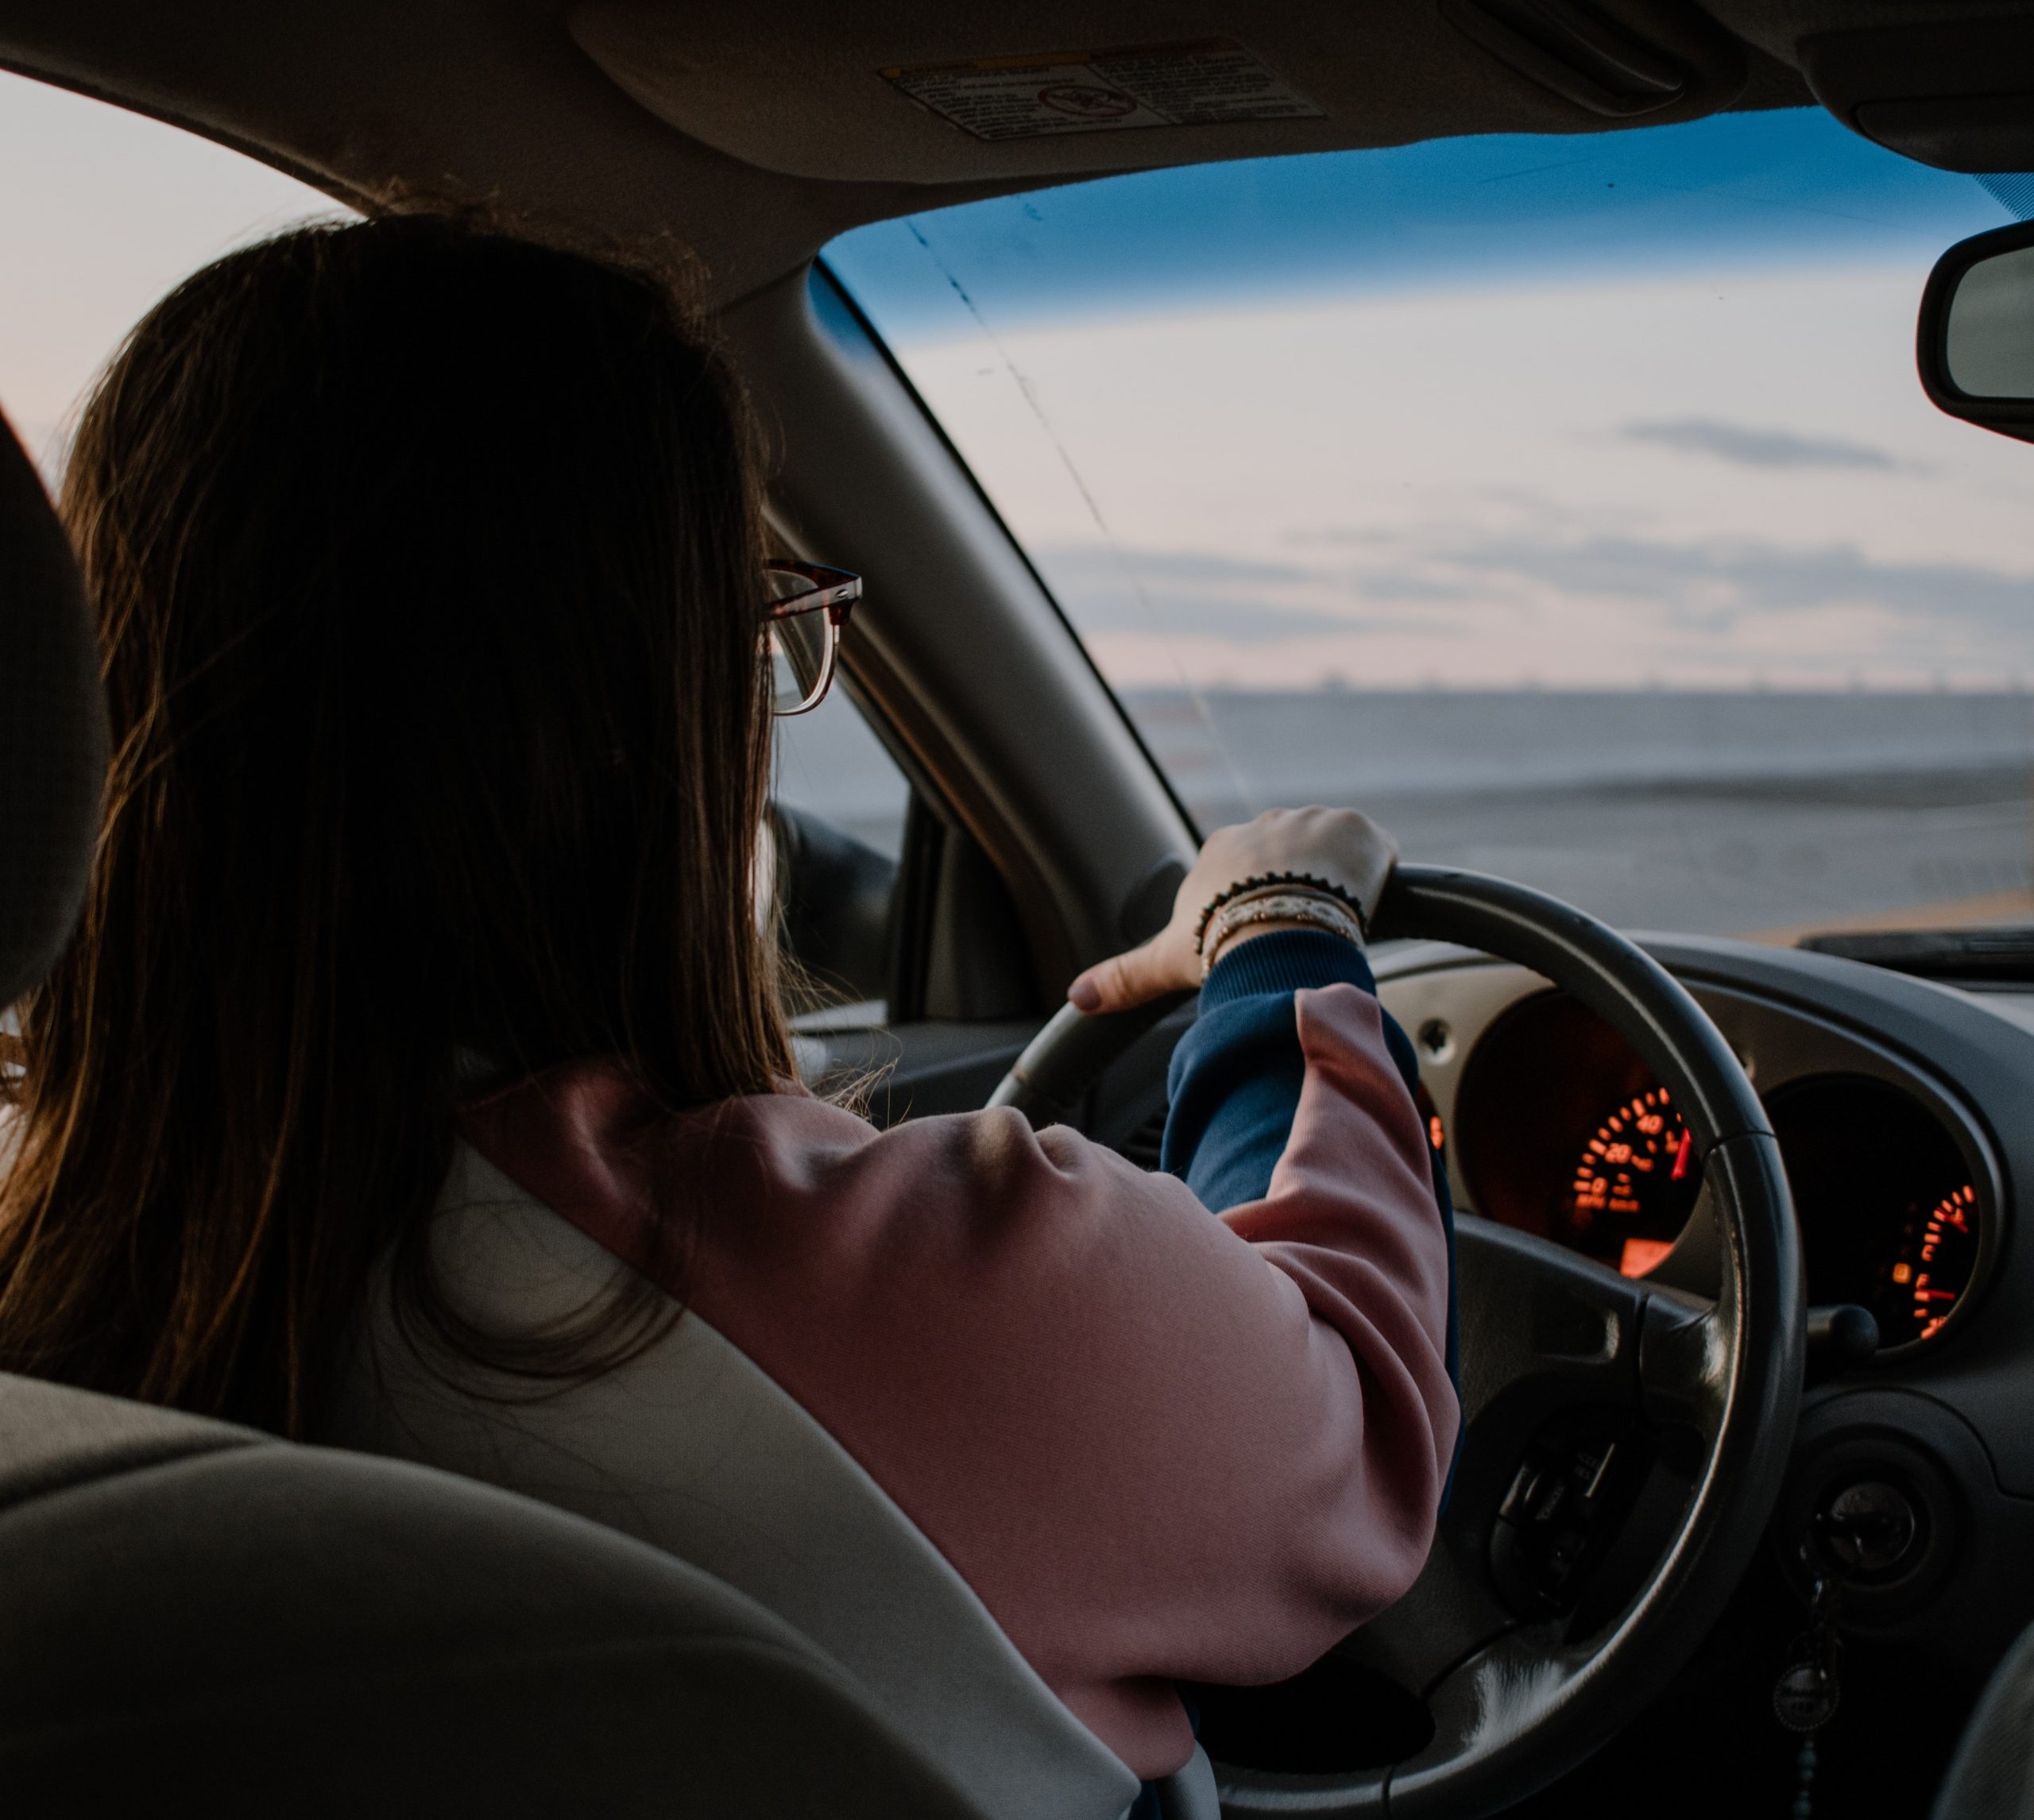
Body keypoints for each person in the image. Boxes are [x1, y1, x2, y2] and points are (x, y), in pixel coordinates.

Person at [0, 216, 1456, 1809]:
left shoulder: (55, 1299)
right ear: (633, 725)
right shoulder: (910, 1284)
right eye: (755, 632)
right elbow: (1354, 1415)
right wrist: (1279, 941)